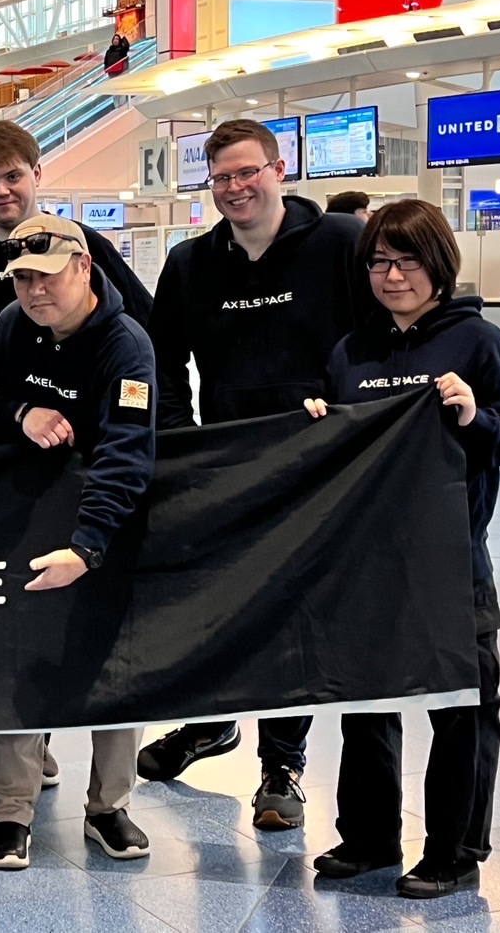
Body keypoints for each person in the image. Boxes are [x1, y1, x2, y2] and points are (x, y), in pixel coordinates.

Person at [141, 118, 377, 832]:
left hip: (320, 459)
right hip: (229, 462)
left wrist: (353, 416)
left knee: (290, 606)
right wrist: (183, 441)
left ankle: (281, 764)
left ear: (279, 170)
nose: (235, 187)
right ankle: (213, 720)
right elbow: (161, 360)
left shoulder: (340, 242)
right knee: (221, 599)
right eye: (221, 177)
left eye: (248, 172)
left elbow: (380, 335)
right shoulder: (190, 263)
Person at [305, 199, 500, 899]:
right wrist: (316, 423)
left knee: (462, 708)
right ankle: (370, 837)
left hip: (450, 562)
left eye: (406, 260)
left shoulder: (476, 342)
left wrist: (474, 414)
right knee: (366, 704)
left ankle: (454, 851)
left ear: (438, 264)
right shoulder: (351, 351)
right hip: (367, 561)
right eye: (379, 262)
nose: (392, 275)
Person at [0, 213, 157, 870]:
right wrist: (23, 412)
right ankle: (11, 810)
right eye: (22, 278)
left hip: (104, 525)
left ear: (83, 267)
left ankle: (109, 807)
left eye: (46, 277)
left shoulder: (126, 345)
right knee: (25, 655)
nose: (34, 291)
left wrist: (88, 545)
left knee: (113, 664)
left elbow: (127, 452)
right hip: (30, 516)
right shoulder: (12, 326)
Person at [0, 120, 152, 357]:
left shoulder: (84, 244)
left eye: (13, 177)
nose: (1, 190)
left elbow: (147, 326)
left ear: (37, 174)